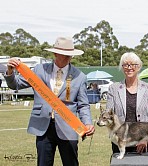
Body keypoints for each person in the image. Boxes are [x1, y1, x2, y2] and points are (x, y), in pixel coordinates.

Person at [5, 37, 95, 166]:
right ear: (55, 54)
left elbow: (83, 105)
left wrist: (88, 123)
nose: (68, 58)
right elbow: (16, 85)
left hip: (68, 127)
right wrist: (10, 71)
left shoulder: (79, 76)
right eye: (64, 54)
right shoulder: (39, 70)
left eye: (70, 55)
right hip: (43, 126)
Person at [106, 52, 148, 155]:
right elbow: (109, 115)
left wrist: (146, 137)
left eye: (133, 64)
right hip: (119, 141)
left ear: (139, 66)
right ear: (122, 67)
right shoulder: (113, 89)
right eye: (126, 64)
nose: (129, 67)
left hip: (143, 142)